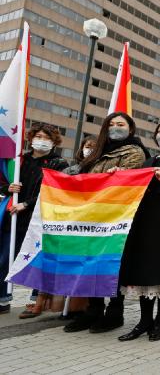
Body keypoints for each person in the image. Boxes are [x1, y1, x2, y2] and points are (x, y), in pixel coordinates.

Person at [63, 112, 148, 333]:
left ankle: (115, 312)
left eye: (121, 124)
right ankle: (93, 310)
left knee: (113, 265)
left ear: (130, 129)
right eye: (111, 124)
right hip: (92, 218)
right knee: (91, 262)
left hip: (117, 219)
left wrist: (119, 175)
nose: (115, 127)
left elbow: (130, 182)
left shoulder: (135, 152)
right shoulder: (97, 152)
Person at [117, 116, 160, 342]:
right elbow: (134, 185)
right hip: (143, 224)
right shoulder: (149, 161)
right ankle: (144, 321)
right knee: (144, 273)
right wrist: (119, 176)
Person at [0, 123, 69, 316]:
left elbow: (52, 191)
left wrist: (27, 204)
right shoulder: (18, 161)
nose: (42, 140)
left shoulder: (58, 163)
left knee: (37, 260)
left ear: (54, 141)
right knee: (5, 259)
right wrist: (8, 189)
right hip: (12, 217)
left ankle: (36, 301)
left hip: (39, 220)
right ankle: (3, 299)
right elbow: (3, 183)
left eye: (46, 138)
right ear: (30, 139)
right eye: (38, 136)